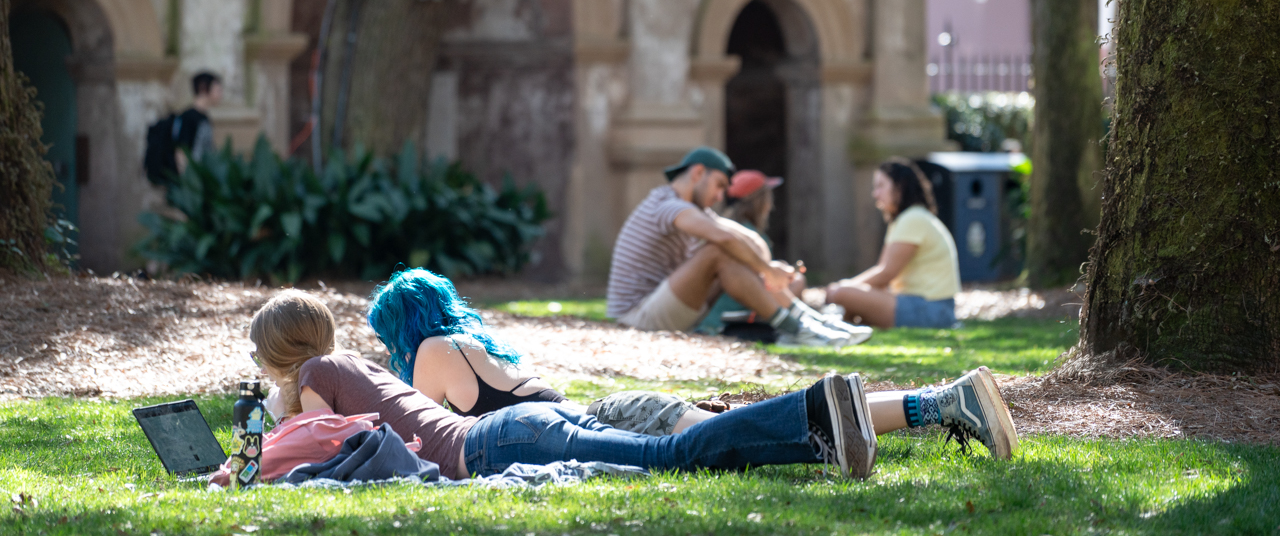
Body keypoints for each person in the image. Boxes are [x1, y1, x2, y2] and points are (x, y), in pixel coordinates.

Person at [248, 290, 1018, 483]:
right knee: (677, 451)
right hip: (528, 431)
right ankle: (827, 419)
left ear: (276, 353)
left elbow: (325, 456)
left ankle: (819, 409)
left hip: (493, 447)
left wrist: (250, 459)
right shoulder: (366, 366)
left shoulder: (318, 377)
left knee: (677, 458)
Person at [365, 268, 716, 436]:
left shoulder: (434, 348)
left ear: (403, 327)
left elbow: (416, 433)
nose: (392, 348)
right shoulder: (470, 344)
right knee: (733, 433)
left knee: (734, 434)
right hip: (611, 419)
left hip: (610, 425)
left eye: (389, 337)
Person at [606, 147, 858, 346]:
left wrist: (768, 267)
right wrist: (767, 270)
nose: (719, 197)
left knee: (730, 252)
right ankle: (797, 329)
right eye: (719, 185)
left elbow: (748, 239)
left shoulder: (695, 210)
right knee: (718, 251)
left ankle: (809, 321)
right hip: (636, 318)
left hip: (662, 308)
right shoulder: (667, 205)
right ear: (697, 173)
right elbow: (723, 238)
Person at [823, 158, 962, 329]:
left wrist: (844, 288)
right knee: (846, 293)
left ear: (900, 187)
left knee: (842, 293)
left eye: (881, 186)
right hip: (926, 307)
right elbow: (882, 276)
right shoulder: (905, 219)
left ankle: (834, 325)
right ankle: (839, 327)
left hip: (930, 309)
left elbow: (886, 273)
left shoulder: (913, 218)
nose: (875, 194)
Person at [174, 71, 222, 174]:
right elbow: (181, 152)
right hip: (192, 178)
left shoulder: (205, 117)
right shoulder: (188, 117)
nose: (220, 94)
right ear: (203, 87)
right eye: (217, 90)